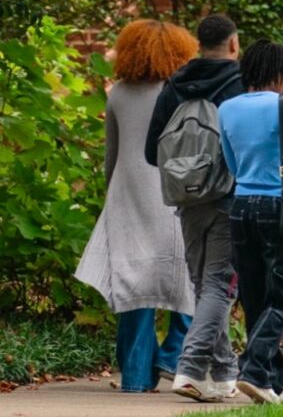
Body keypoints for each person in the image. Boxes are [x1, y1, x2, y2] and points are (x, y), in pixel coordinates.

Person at [75, 20, 200, 393]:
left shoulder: (119, 95)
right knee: (190, 280)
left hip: (128, 194)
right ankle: (172, 354)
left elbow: (110, 157)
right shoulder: (181, 93)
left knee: (133, 288)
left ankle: (136, 378)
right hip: (175, 194)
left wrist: (111, 194)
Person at [144, 13, 245, 402]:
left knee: (206, 285)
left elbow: (153, 151)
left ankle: (223, 374)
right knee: (220, 283)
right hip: (226, 196)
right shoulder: (239, 86)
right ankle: (189, 367)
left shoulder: (174, 86)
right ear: (234, 44)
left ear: (197, 44)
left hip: (186, 200)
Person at [217, 40, 283, 405]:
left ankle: (274, 384)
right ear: (280, 73)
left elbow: (230, 163)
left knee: (256, 298)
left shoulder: (226, 108)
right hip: (277, 207)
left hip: (241, 207)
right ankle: (253, 369)